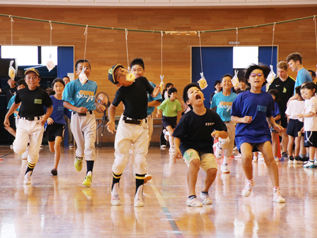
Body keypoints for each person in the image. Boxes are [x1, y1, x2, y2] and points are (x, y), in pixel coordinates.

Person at [106, 64, 160, 207]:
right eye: (119, 74)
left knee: (141, 160)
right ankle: (114, 187)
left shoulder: (142, 81)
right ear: (118, 83)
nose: (123, 72)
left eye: (123, 70)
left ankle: (138, 194)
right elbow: (112, 107)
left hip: (142, 127)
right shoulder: (121, 92)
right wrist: (111, 121)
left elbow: (152, 93)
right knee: (120, 161)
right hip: (125, 127)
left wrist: (156, 91)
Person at [231, 64, 285, 203]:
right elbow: (232, 117)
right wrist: (242, 119)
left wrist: (274, 125)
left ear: (264, 80)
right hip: (244, 133)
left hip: (262, 133)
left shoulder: (267, 97)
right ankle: (249, 181)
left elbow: (269, 115)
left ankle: (276, 191)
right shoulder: (241, 96)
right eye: (253, 75)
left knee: (270, 158)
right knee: (247, 157)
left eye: (259, 75)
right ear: (248, 80)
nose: (256, 77)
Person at [173, 83, 228, 206]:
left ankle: (204, 192)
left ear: (203, 97)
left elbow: (225, 133)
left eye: (197, 90)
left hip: (205, 148)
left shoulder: (212, 115)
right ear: (188, 102)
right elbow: (177, 136)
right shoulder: (187, 117)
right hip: (188, 146)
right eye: (191, 92)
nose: (195, 92)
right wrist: (176, 149)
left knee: (213, 170)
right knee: (194, 162)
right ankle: (191, 197)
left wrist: (219, 132)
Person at [4, 68, 53, 184]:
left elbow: (50, 108)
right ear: (25, 80)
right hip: (23, 123)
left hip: (37, 124)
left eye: (34, 78)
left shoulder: (42, 93)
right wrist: (7, 116)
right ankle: (20, 143)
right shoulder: (21, 93)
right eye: (29, 78)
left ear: (38, 80)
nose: (31, 80)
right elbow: (15, 105)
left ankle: (28, 173)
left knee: (34, 152)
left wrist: (45, 118)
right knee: (19, 149)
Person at [63, 59, 105, 187]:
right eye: (81, 68)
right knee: (81, 147)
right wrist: (77, 109)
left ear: (90, 71)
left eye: (87, 68)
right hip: (76, 117)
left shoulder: (93, 85)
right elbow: (65, 103)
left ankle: (89, 174)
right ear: (76, 71)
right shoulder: (71, 85)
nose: (84, 70)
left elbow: (92, 100)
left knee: (90, 145)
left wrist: (98, 106)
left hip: (90, 118)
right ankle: (79, 156)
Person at [130, 58, 162, 183]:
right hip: (132, 119)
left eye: (139, 69)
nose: (137, 72)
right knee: (135, 147)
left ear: (144, 71)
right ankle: (140, 171)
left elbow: (157, 101)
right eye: (134, 70)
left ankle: (140, 169)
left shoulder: (151, 85)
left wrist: (144, 105)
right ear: (130, 70)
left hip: (147, 118)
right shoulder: (128, 85)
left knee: (145, 145)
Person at [268, 61, 295, 160]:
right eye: (279, 71)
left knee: (285, 131)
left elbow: (294, 96)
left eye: (282, 71)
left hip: (286, 110)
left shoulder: (292, 82)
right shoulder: (274, 82)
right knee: (273, 133)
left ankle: (284, 151)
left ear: (287, 70)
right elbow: (268, 95)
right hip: (275, 110)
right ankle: (274, 153)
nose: (280, 74)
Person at [211, 74, 237, 174]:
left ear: (232, 84)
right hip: (219, 123)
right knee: (224, 140)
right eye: (224, 81)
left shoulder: (235, 97)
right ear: (221, 84)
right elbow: (212, 108)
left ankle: (225, 164)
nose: (226, 83)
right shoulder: (216, 96)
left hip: (230, 122)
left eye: (229, 81)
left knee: (230, 143)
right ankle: (219, 146)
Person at [46, 78, 71, 175]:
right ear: (53, 88)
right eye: (56, 86)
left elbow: (68, 114)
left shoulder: (65, 101)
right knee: (52, 149)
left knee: (57, 145)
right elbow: (43, 112)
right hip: (50, 125)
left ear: (64, 87)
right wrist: (47, 118)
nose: (58, 88)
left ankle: (55, 168)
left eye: (60, 86)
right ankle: (54, 158)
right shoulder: (50, 99)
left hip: (60, 125)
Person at [296, 82, 317, 168]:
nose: (304, 95)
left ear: (313, 90)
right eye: (302, 93)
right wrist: (304, 126)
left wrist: (302, 115)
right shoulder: (308, 100)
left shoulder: (313, 100)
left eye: (306, 92)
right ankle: (314, 160)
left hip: (312, 126)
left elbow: (312, 113)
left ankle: (311, 160)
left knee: (311, 144)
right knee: (313, 144)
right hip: (309, 125)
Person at [157, 87, 183, 153]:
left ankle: (165, 132)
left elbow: (179, 112)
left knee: (173, 133)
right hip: (166, 119)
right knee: (172, 133)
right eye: (173, 94)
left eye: (175, 94)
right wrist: (158, 113)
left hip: (173, 119)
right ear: (169, 94)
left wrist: (181, 120)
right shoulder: (166, 101)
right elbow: (159, 108)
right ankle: (172, 147)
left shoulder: (177, 102)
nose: (175, 95)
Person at [285, 86, 305, 164]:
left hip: (291, 122)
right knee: (298, 141)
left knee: (290, 141)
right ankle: (296, 157)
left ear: (296, 94)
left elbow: (287, 113)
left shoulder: (292, 102)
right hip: (300, 122)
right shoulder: (305, 103)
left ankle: (290, 157)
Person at [268, 89, 281, 162]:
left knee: (274, 139)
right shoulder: (266, 104)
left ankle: (275, 156)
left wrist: (272, 121)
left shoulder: (275, 104)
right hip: (267, 124)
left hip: (274, 124)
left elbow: (279, 116)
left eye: (273, 95)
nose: (272, 97)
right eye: (270, 95)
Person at [160, 83, 174, 149]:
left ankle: (172, 144)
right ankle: (163, 143)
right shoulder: (164, 95)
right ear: (167, 88)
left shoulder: (173, 97)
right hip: (165, 114)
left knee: (172, 129)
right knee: (165, 128)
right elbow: (160, 105)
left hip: (172, 115)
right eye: (170, 87)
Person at [61, 75, 73, 148]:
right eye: (64, 80)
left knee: (70, 127)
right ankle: (60, 142)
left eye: (67, 80)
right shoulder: (59, 90)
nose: (65, 82)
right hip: (61, 111)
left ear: (69, 82)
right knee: (61, 128)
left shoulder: (71, 90)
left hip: (69, 111)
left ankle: (70, 142)